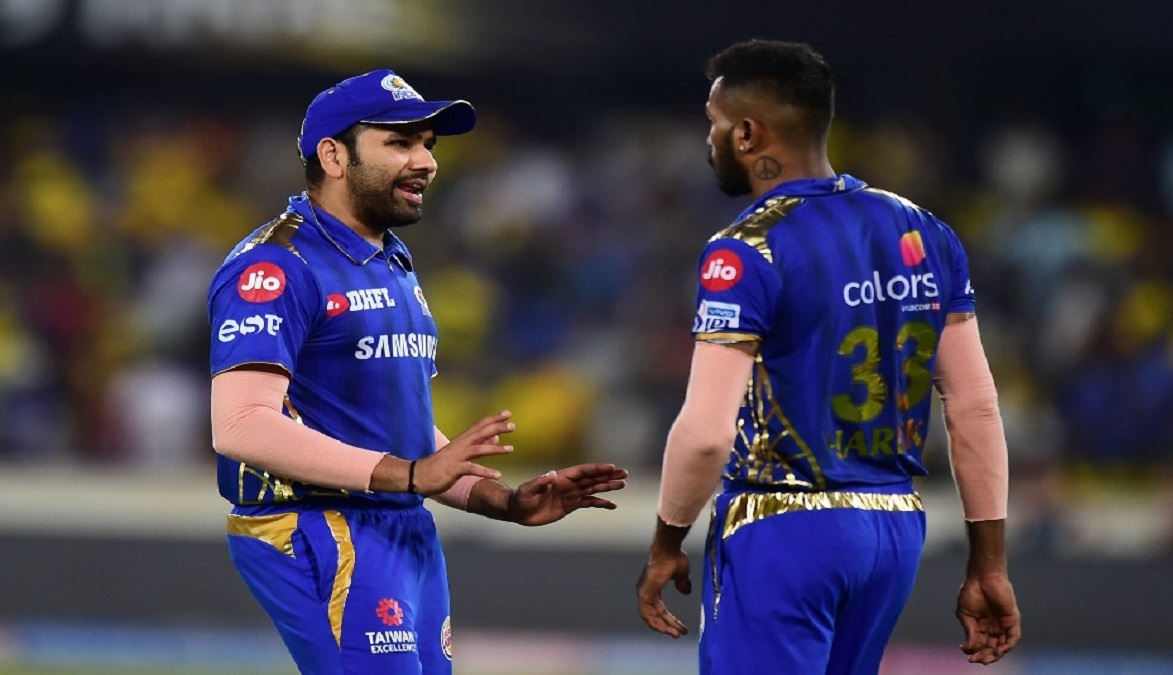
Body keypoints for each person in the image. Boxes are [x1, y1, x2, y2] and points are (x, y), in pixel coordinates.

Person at [207, 68, 628, 674]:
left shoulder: (390, 259)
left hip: (401, 525)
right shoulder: (276, 264)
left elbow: (395, 426)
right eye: (400, 143)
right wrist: (408, 474)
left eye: (427, 144)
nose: (427, 162)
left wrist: (499, 500)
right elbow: (242, 424)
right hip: (321, 524)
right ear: (333, 156)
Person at [635, 40, 1020, 673]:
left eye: (715, 123)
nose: (709, 140)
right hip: (893, 529)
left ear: (748, 134)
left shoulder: (745, 250)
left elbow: (706, 434)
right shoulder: (925, 231)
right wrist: (990, 564)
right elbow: (974, 405)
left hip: (784, 526)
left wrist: (666, 541)